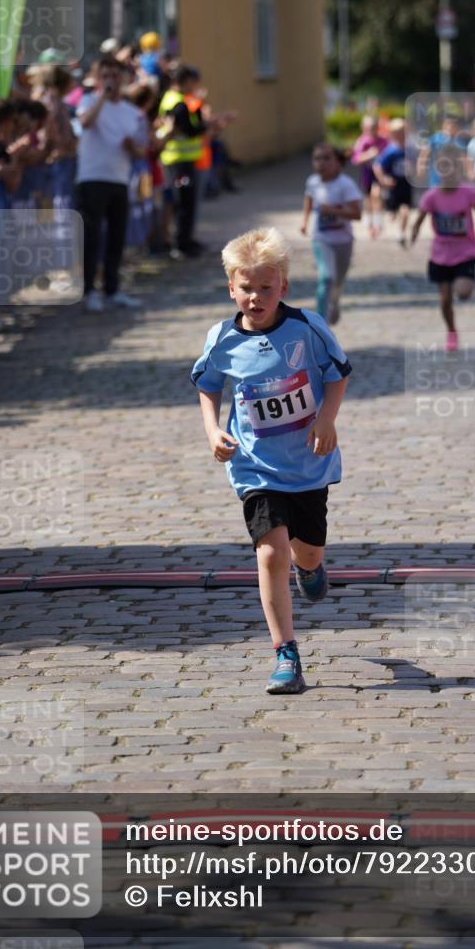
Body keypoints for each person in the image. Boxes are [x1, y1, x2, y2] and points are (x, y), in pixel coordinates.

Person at [191, 228, 351, 694]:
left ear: (283, 286)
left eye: (266, 288)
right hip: (254, 466)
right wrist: (211, 427)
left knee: (306, 551)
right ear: (231, 288)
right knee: (270, 552)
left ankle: (311, 567)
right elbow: (207, 384)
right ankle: (286, 652)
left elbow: (337, 376)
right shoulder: (222, 338)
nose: (256, 297)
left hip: (306, 463)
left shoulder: (308, 328)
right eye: (247, 288)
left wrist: (325, 419)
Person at [410, 145, 475, 351]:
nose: (448, 171)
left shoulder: (468, 192)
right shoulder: (431, 196)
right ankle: (451, 330)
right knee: (444, 299)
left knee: (463, 292)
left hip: (465, 252)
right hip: (440, 255)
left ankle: (464, 285)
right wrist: (413, 233)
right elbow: (420, 218)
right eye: (443, 167)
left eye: (452, 167)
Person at [75, 54, 145, 312]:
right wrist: (103, 97)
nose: (111, 80)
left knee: (116, 236)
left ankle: (112, 289)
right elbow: (84, 123)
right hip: (91, 178)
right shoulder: (88, 101)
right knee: (92, 236)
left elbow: (141, 148)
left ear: (123, 78)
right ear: (97, 78)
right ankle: (90, 290)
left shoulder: (131, 111)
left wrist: (133, 148)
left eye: (115, 75)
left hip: (119, 178)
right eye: (105, 76)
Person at [300, 143, 362, 324]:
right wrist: (304, 221)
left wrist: (334, 211)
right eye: (317, 158)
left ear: (338, 162)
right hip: (322, 239)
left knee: (338, 281)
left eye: (327, 158)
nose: (321, 163)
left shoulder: (346, 184)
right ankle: (320, 322)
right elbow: (308, 198)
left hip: (344, 240)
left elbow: (357, 214)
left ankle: (334, 302)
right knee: (326, 277)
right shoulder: (312, 181)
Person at [158, 65, 207, 259]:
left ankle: (185, 240)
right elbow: (192, 129)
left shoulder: (175, 99)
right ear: (186, 81)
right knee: (183, 203)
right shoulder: (177, 103)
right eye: (194, 82)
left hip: (181, 160)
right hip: (178, 160)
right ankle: (181, 244)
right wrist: (204, 123)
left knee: (185, 202)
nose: (195, 86)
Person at [373, 118, 412, 247]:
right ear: (393, 135)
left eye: (403, 132)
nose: (401, 136)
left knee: (405, 210)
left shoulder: (411, 149)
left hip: (406, 184)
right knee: (390, 209)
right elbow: (377, 165)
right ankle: (386, 216)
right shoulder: (391, 150)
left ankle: (402, 233)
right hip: (393, 186)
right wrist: (383, 179)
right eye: (398, 133)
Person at [350, 114, 386, 238]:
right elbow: (355, 159)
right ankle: (369, 220)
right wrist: (369, 154)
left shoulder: (383, 141)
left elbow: (389, 154)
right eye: (369, 127)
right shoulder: (362, 142)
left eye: (374, 127)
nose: (372, 130)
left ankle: (377, 222)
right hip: (367, 174)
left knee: (377, 195)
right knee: (368, 198)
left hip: (379, 174)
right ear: (363, 128)